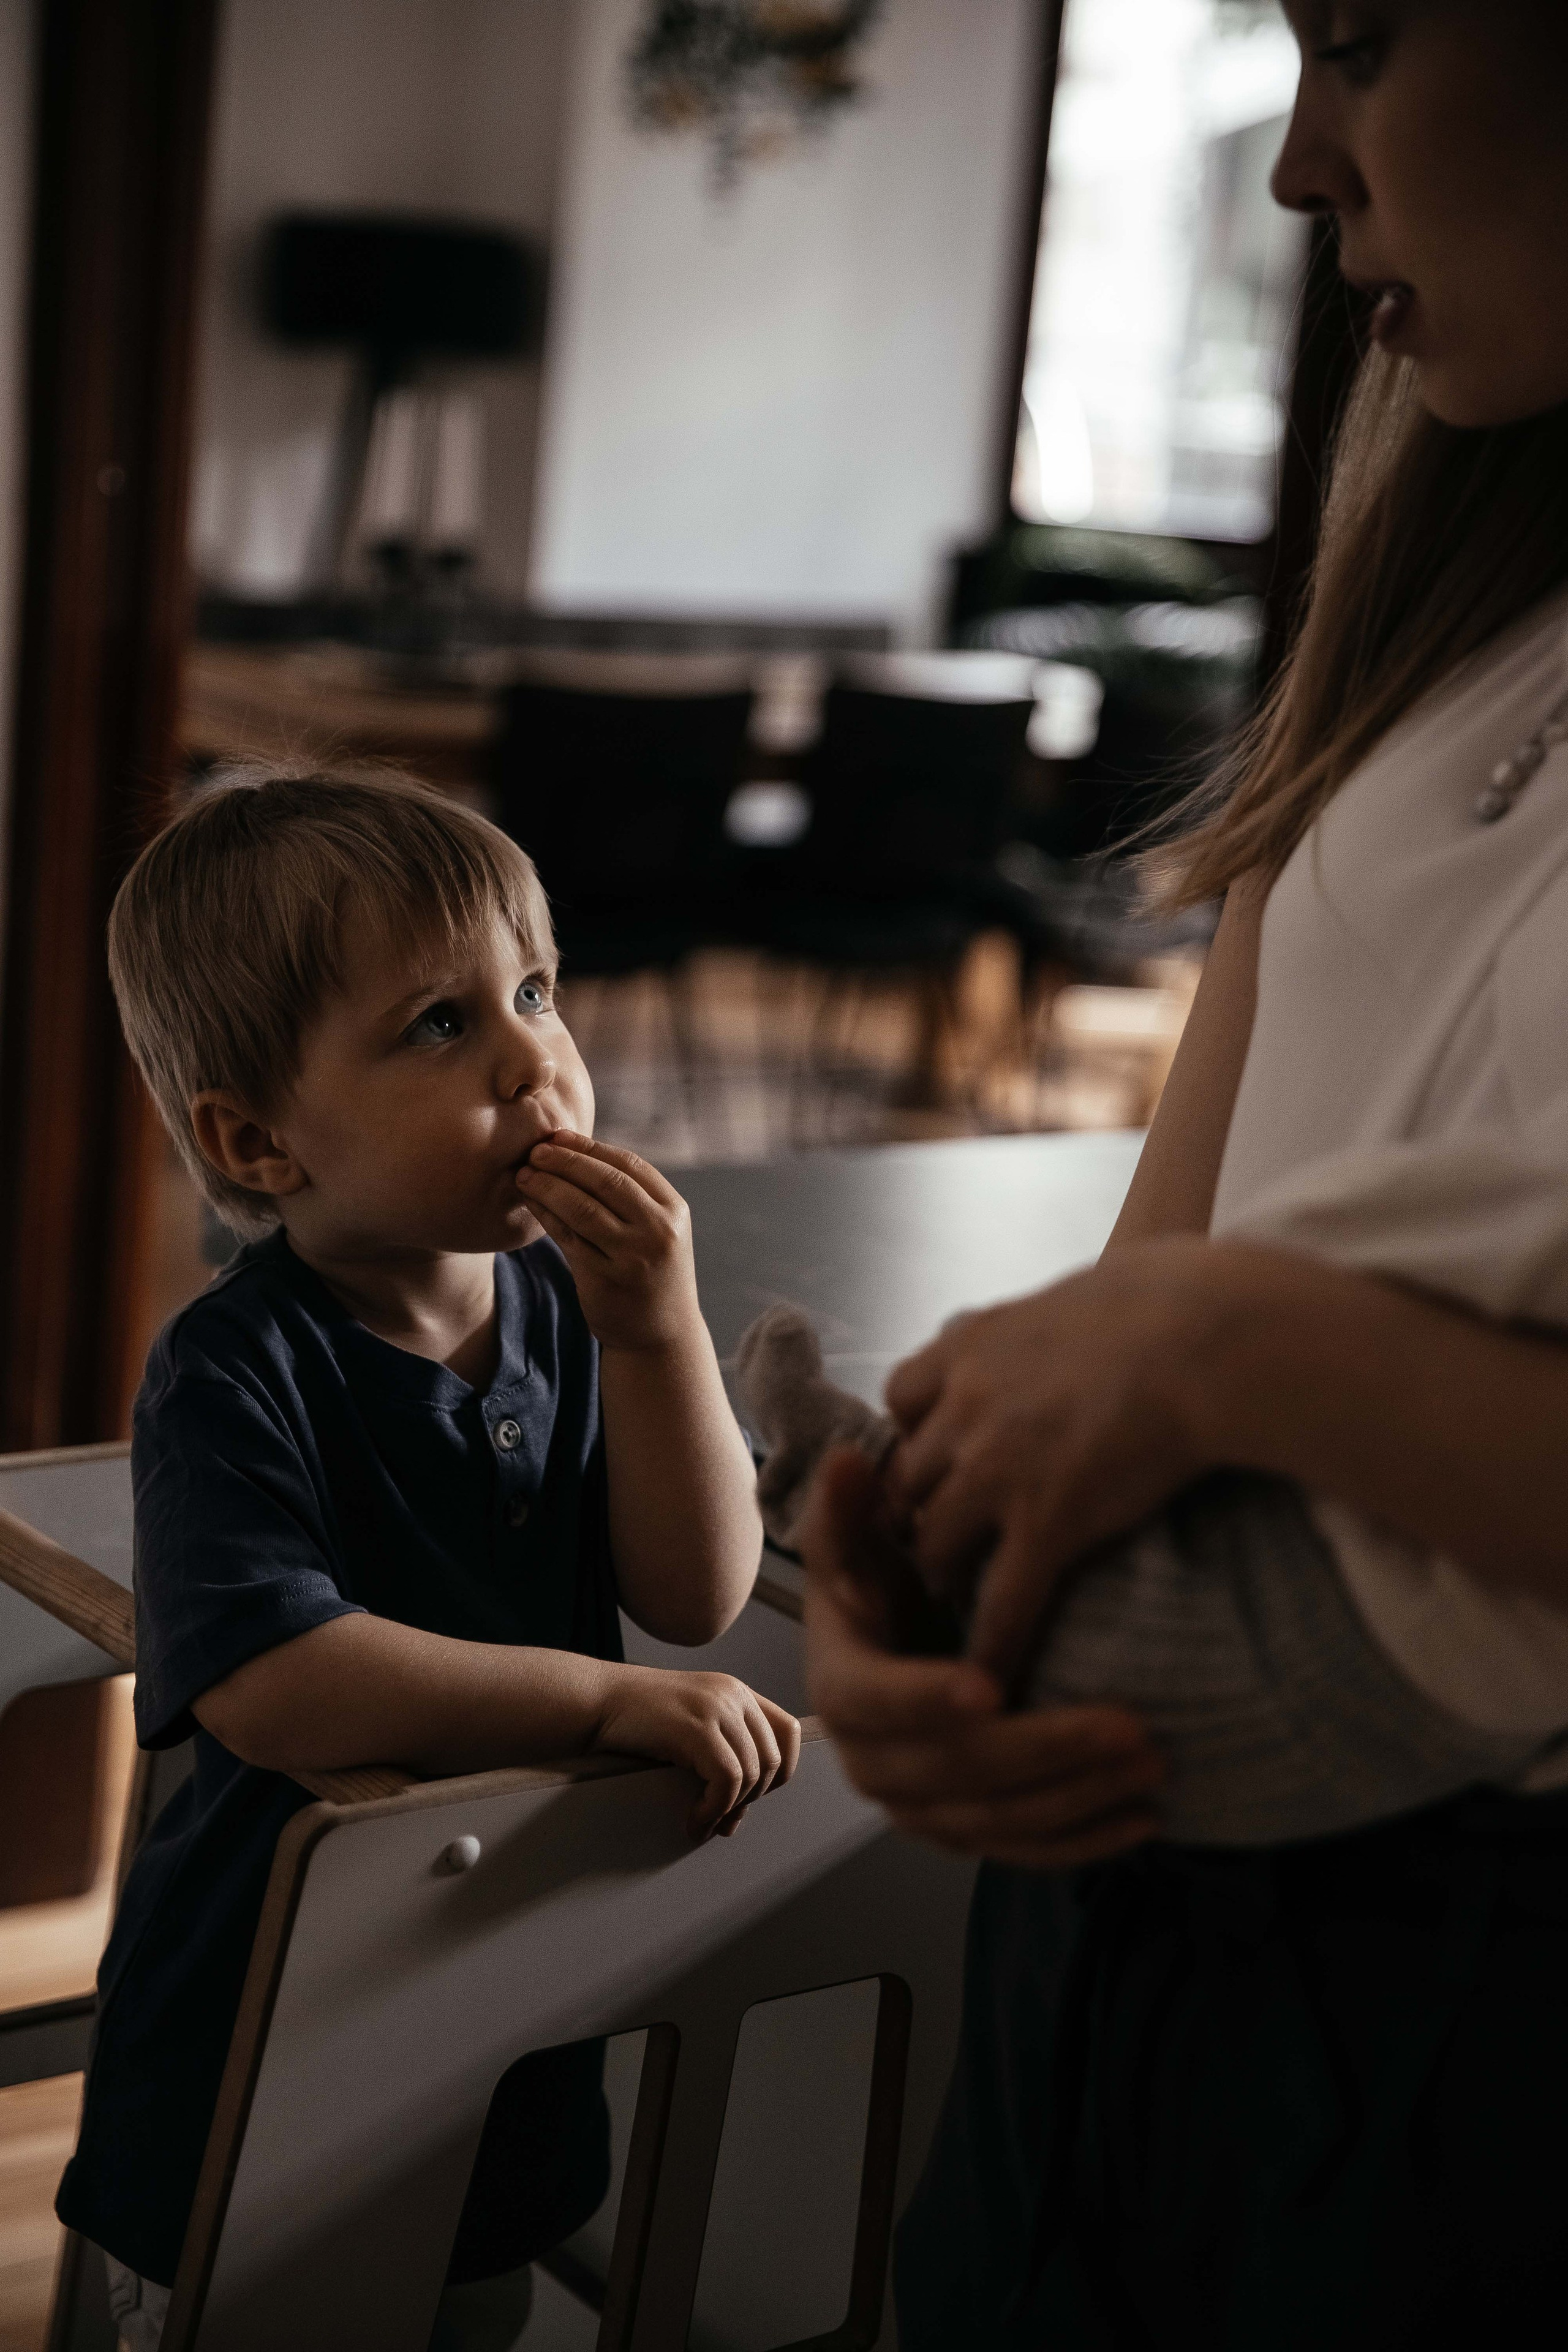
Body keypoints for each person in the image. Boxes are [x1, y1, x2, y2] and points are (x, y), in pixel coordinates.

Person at [804, 2, 1568, 2342]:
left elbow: (1199, 1309)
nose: (1300, 164)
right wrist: (946, 1592)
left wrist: (1240, 1345)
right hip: (1137, 1906)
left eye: (1363, 38)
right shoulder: (1450, 594)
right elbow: (1159, 1270)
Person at [59, 768, 799, 2352]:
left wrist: (659, 1333)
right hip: (264, 2042)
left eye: (535, 992)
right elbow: (276, 1684)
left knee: (472, 2305)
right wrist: (603, 1706)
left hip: (501, 2006)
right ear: (260, 1141)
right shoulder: (234, 1370)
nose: (536, 1059)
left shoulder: (577, 1316)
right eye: (441, 1026)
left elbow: (697, 1593)